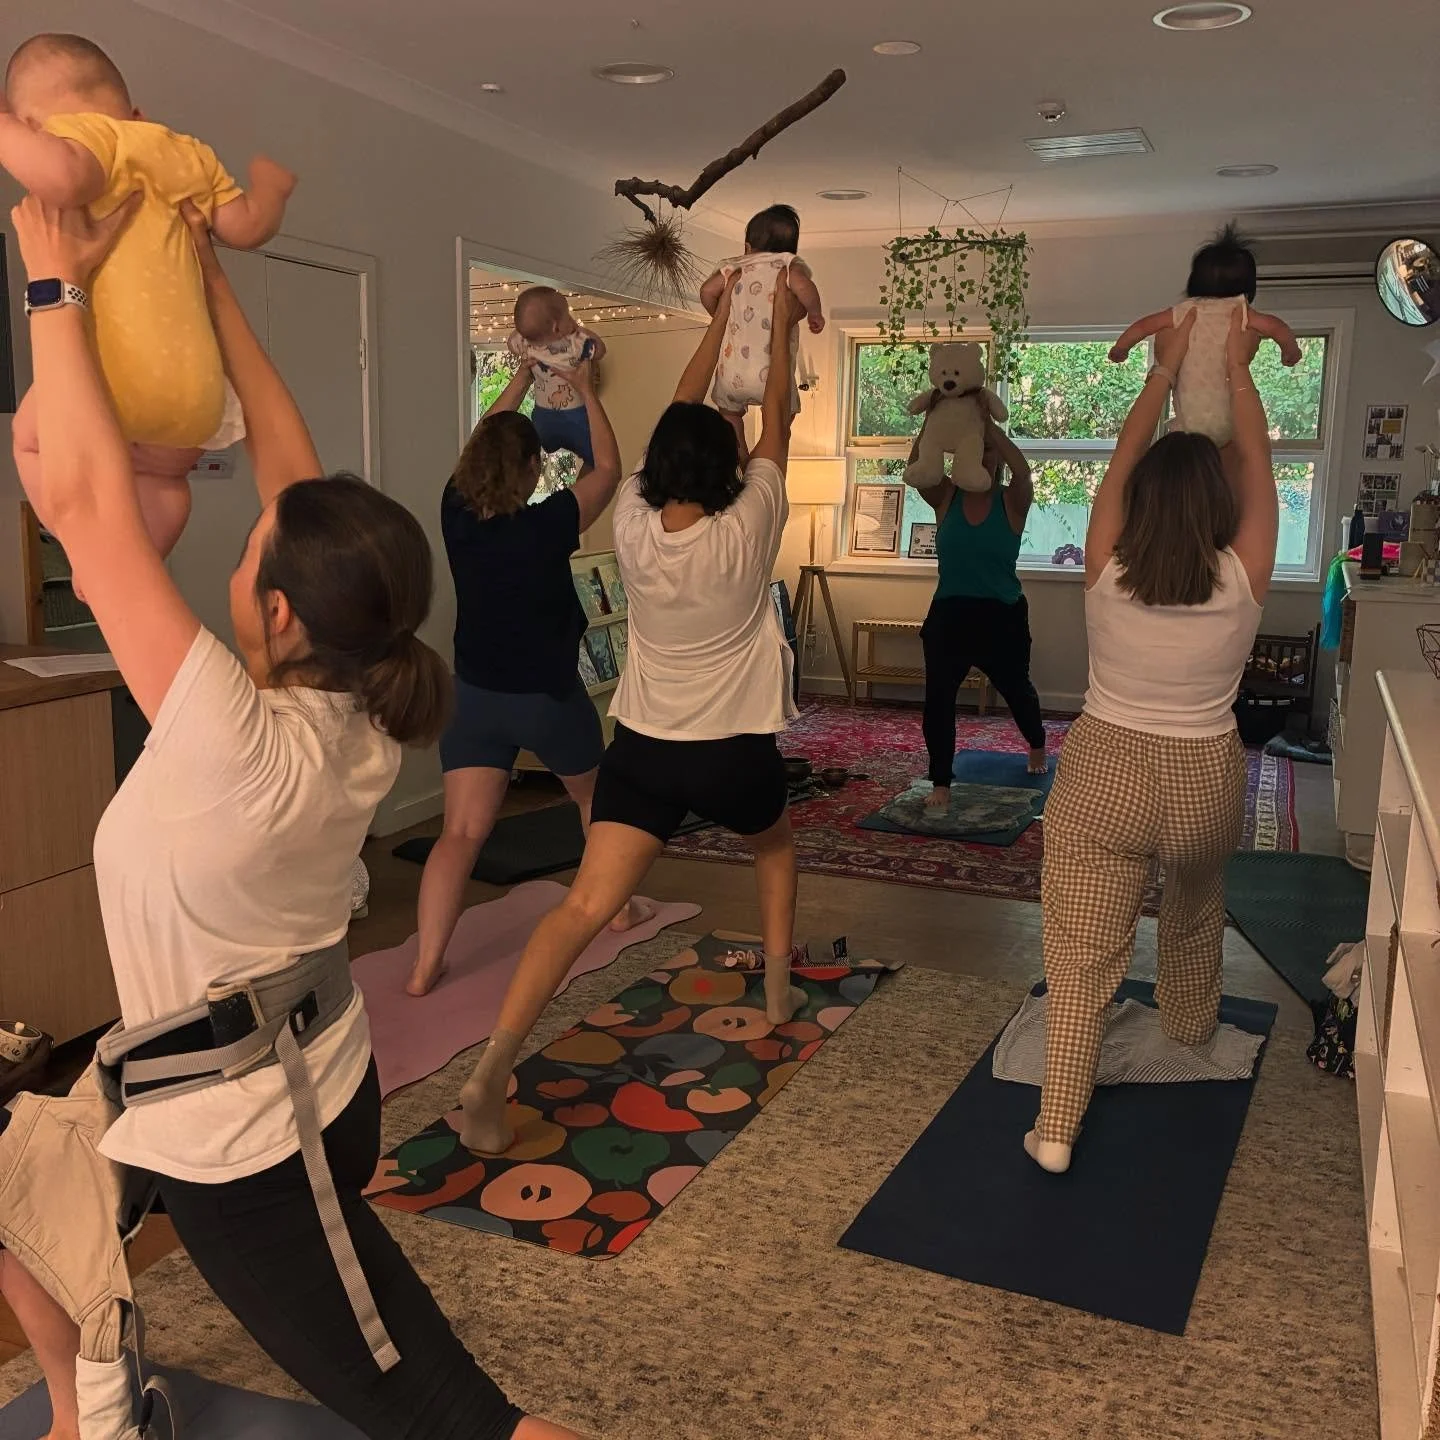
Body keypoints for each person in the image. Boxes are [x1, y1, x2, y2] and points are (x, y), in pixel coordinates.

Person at [8, 192, 580, 1440]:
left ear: (276, 613)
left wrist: (55, 286)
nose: (253, 523)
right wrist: (207, 283)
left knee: (457, 1419)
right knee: (12, 1182)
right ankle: (86, 1403)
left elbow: (92, 511)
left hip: (260, 1144)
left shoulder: (229, 728)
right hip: (264, 1068)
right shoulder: (364, 698)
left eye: (257, 542)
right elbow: (298, 469)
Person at [457, 265, 805, 1155]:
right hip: (731, 752)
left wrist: (721, 311)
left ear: (661, 467)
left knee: (579, 908)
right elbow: (777, 411)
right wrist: (782, 319)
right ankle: (773, 992)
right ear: (728, 466)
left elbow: (670, 423)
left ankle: (497, 1062)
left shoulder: (633, 527)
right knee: (773, 846)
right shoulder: (751, 518)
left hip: (644, 751)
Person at [1027, 306, 1275, 1175]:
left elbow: (1119, 469)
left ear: (1136, 506)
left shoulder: (1105, 567)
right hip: (1205, 779)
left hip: (1106, 773)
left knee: (1083, 951)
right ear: (1221, 503)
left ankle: (1057, 1126)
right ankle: (1188, 1029)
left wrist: (1161, 373)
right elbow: (1261, 460)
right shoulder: (1245, 574)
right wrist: (1238, 368)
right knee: (1195, 905)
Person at [2, 32, 294, 575]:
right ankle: (128, 573)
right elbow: (245, 228)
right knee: (165, 480)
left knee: (28, 441)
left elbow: (63, 177)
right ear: (137, 113)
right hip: (193, 399)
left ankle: (89, 561)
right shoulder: (184, 152)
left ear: (35, 127)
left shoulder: (86, 138)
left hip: (117, 385)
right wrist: (270, 195)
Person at [408, 352, 648, 998]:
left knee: (458, 833)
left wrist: (519, 379)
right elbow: (609, 470)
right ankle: (619, 907)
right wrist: (585, 389)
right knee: (596, 800)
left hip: (474, 699)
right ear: (532, 471)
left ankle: (426, 963)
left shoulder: (455, 516)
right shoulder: (547, 525)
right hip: (545, 698)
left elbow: (483, 438)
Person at [912, 414, 1048, 810]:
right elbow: (917, 466)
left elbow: (1023, 472)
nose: (981, 456)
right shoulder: (946, 496)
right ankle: (941, 780)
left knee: (1017, 692)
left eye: (988, 451)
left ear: (997, 458)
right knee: (938, 699)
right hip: (950, 615)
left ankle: (1037, 741)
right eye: (974, 449)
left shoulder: (1012, 499)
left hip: (1001, 617)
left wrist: (988, 430)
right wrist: (936, 422)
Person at [1109, 223, 1301, 448]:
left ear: (1194, 281)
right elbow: (1275, 327)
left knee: (1183, 428)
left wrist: (1122, 347)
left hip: (1187, 422)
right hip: (1229, 420)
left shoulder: (1185, 311)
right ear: (1248, 285)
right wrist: (1290, 349)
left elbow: (1144, 326)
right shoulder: (1240, 311)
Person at [700, 204, 824, 450]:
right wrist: (814, 313)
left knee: (730, 415)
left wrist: (720, 317)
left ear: (747, 247)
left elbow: (706, 291)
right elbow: (803, 285)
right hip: (772, 373)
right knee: (781, 419)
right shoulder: (788, 265)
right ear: (791, 248)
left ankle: (741, 455)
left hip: (733, 370)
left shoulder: (734, 267)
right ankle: (762, 456)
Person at [506, 286, 607, 470]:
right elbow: (600, 350)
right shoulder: (574, 343)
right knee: (598, 458)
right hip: (575, 415)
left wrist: (525, 334)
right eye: (568, 315)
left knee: (536, 447)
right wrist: (581, 330)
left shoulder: (523, 343)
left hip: (543, 417)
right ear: (556, 327)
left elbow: (511, 343)